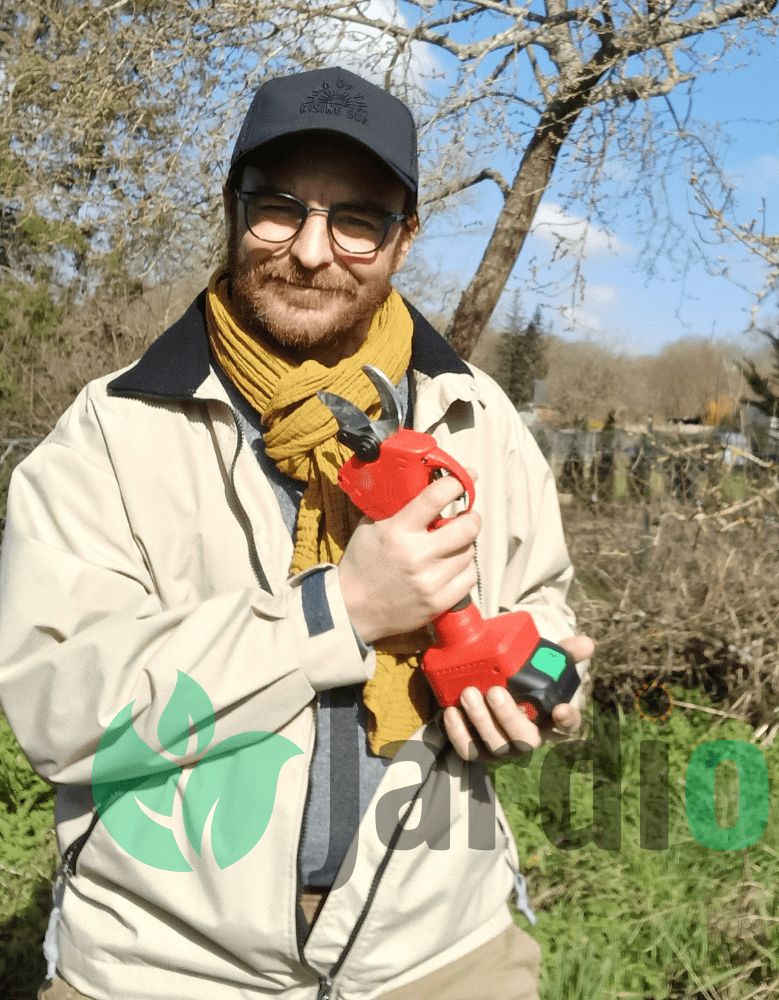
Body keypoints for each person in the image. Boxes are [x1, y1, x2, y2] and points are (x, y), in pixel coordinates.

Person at [0, 66, 592, 1000]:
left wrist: (537, 682)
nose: (313, 252)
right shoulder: (111, 432)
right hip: (163, 967)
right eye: (280, 209)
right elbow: (59, 709)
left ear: (403, 239)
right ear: (231, 210)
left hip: (441, 955)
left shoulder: (475, 415)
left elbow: (539, 603)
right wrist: (339, 611)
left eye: (356, 221)